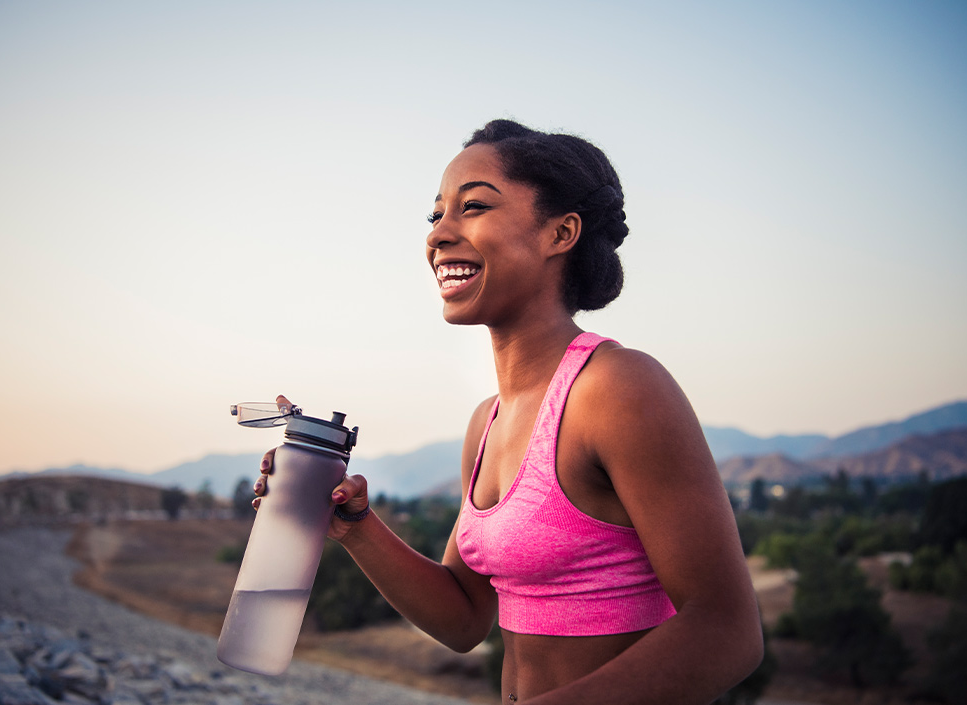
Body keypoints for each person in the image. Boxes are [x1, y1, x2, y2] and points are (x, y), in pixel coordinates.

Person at [254, 119, 763, 704]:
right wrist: (355, 527)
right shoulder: (487, 421)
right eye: (435, 214)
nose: (439, 234)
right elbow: (465, 619)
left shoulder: (617, 389)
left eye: (472, 207)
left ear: (560, 233)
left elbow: (727, 631)